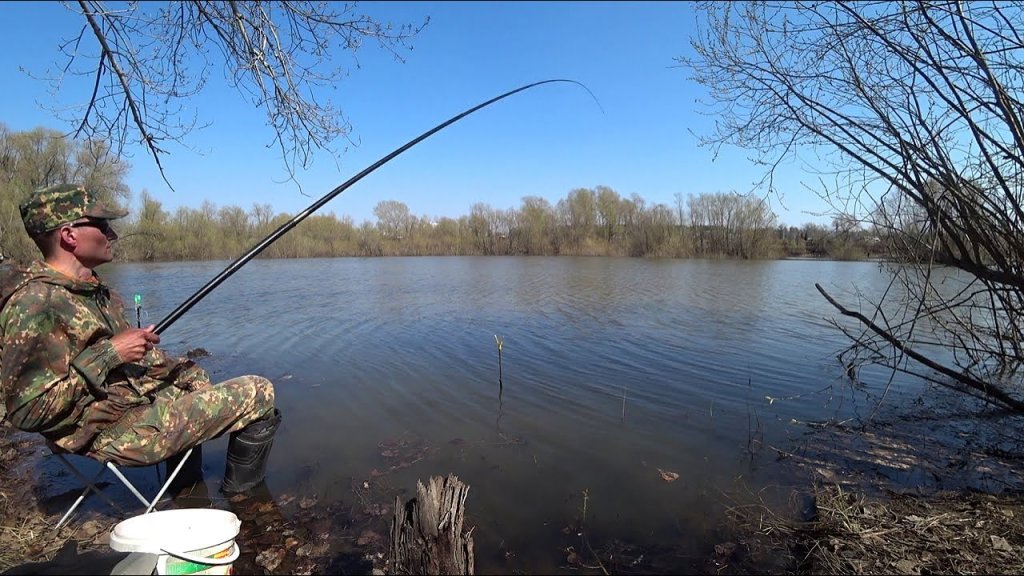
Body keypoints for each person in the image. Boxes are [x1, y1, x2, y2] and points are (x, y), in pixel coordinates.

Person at [0, 183, 282, 494]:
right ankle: (245, 501)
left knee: (194, 378)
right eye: (103, 226)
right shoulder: (35, 305)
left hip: (126, 404)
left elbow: (119, 356)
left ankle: (187, 495)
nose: (113, 235)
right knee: (260, 392)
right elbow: (26, 412)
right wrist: (111, 353)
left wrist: (181, 368)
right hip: (110, 429)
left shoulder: (91, 290)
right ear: (69, 235)